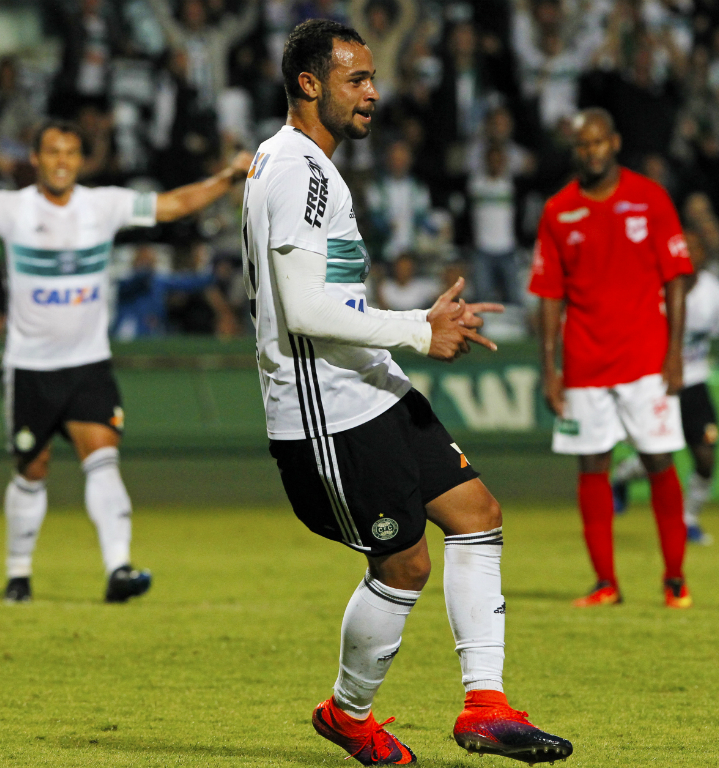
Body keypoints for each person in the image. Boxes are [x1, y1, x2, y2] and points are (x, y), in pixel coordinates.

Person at [243, 20, 572, 765]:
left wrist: (416, 325)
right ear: (309, 84)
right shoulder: (297, 171)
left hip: (370, 387)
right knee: (404, 565)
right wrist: (420, 331)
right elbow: (304, 310)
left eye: (372, 78)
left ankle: (486, 707)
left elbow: (328, 298)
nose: (372, 93)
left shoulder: (299, 163)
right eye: (356, 79)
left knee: (476, 513)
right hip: (327, 412)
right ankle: (347, 714)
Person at [0, 119, 253, 603]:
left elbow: (173, 204)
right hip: (29, 366)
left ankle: (118, 569)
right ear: (35, 158)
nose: (62, 161)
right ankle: (18, 574)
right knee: (32, 472)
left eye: (71, 152)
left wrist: (226, 178)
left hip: (88, 362)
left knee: (104, 461)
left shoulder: (102, 205)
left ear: (81, 160)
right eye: (53, 151)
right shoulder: (12, 209)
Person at [529, 108, 695, 610]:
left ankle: (675, 578)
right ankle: (606, 582)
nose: (591, 151)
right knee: (591, 465)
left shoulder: (650, 198)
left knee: (658, 460)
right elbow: (549, 295)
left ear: (615, 142)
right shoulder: (558, 210)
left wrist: (675, 353)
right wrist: (550, 370)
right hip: (584, 363)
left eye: (598, 142)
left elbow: (676, 278)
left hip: (646, 359)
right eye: (582, 145)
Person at [611, 230, 719, 546]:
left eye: (695, 249)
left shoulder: (714, 292)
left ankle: (688, 520)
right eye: (683, 248)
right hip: (658, 383)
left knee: (706, 455)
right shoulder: (653, 286)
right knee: (658, 455)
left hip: (694, 383)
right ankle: (622, 477)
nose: (689, 255)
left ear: (704, 255)